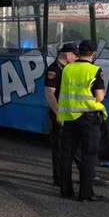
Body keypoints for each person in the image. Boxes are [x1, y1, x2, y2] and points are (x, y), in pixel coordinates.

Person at [57, 40, 107, 202]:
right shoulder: (94, 70)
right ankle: (85, 193)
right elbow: (99, 97)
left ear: (78, 52)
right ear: (94, 53)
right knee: (88, 156)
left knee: (66, 154)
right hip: (88, 117)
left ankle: (65, 190)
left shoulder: (67, 69)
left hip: (69, 116)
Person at [44, 43, 78, 187]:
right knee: (58, 145)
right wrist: (58, 112)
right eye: (75, 56)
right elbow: (49, 93)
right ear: (68, 55)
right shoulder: (53, 70)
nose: (77, 59)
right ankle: (57, 177)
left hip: (68, 112)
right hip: (59, 113)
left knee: (70, 144)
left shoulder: (67, 69)